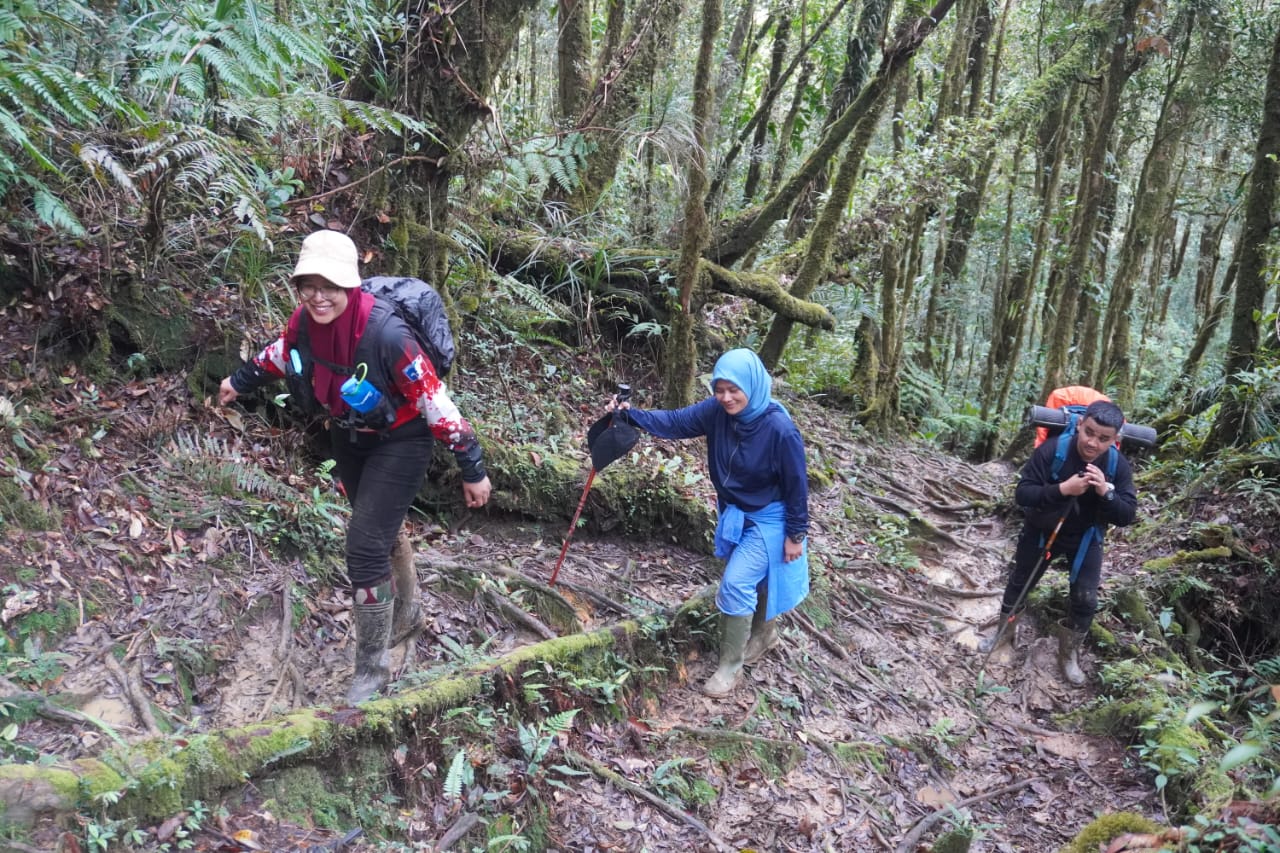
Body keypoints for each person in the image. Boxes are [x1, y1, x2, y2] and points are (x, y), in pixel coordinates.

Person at [218, 230, 492, 704]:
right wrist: (239, 381)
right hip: (348, 435)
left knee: (364, 549)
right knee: (379, 529)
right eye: (309, 286)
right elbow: (281, 353)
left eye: (330, 286)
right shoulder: (304, 322)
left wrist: (472, 466)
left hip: (402, 440)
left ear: (349, 284)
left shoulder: (388, 335)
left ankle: (371, 669)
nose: (318, 296)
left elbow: (435, 402)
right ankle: (407, 613)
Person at [609, 349, 809, 698]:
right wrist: (631, 416)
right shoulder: (717, 412)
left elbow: (797, 486)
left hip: (771, 518)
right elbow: (675, 422)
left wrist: (796, 534)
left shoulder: (780, 430)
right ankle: (765, 634)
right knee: (755, 576)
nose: (726, 397)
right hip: (736, 510)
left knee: (735, 583)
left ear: (753, 386)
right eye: (720, 389)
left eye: (734, 390)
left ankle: (730, 667)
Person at [977, 399, 1137, 685]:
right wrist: (1063, 489)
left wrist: (1106, 492)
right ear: (1080, 424)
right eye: (1089, 432)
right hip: (1042, 531)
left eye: (1103, 438)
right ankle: (1003, 634)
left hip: (1086, 538)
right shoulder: (1053, 451)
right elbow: (1023, 494)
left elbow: (1126, 515)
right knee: (1019, 583)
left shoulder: (1117, 465)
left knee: (1086, 599)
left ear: (1115, 439)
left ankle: (1068, 655)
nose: (1093, 443)